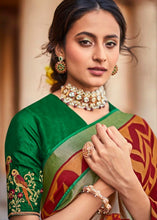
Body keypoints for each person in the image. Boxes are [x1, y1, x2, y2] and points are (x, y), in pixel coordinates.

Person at [5, 0, 157, 219]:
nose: (100, 55)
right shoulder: (30, 123)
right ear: (60, 48)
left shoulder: (139, 130)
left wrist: (127, 180)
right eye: (86, 42)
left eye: (110, 43)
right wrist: (106, 184)